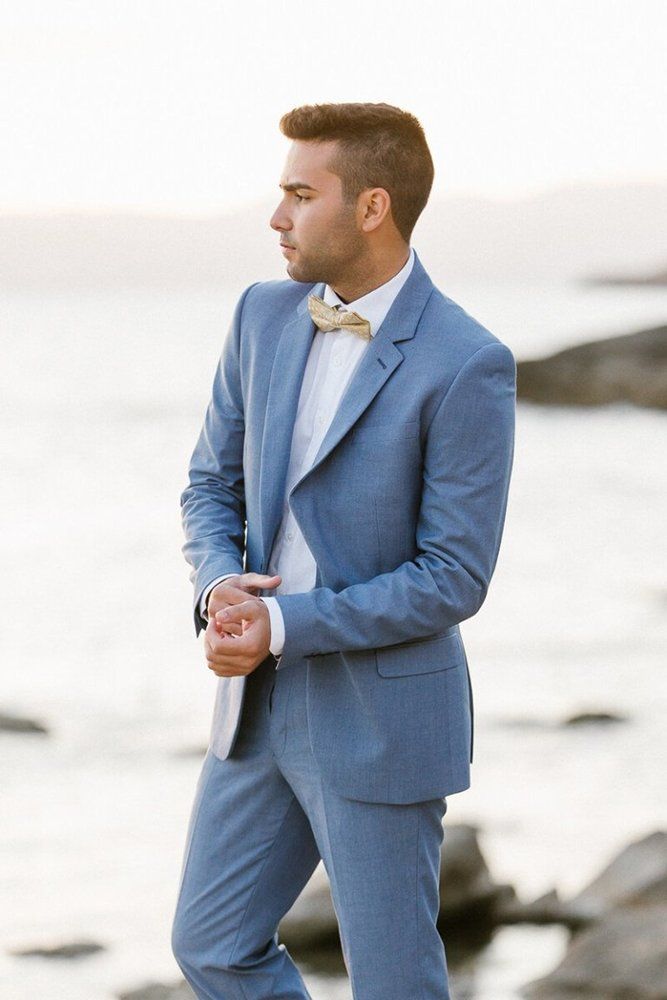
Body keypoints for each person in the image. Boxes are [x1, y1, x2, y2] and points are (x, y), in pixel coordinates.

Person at [171, 102, 516, 1000]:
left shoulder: (466, 360)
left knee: (395, 982)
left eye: (298, 194)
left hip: (380, 717)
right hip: (256, 705)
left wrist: (283, 623)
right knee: (211, 943)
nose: (277, 217)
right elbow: (211, 486)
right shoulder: (261, 314)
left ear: (371, 206)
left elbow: (453, 576)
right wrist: (219, 591)